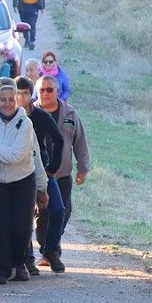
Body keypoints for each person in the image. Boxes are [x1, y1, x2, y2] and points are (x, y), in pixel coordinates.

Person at [0, 77, 48, 283]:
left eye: (11, 99)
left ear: (17, 100)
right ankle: (0, 269)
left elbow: (16, 156)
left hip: (22, 180)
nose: (7, 104)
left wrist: (43, 187)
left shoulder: (25, 124)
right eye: (3, 99)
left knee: (21, 226)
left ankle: (19, 262)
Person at [15, 76, 66, 273]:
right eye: (18, 93)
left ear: (31, 95)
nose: (21, 97)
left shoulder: (41, 116)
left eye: (25, 93)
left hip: (42, 170)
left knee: (57, 209)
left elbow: (58, 139)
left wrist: (52, 166)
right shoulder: (10, 117)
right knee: (24, 213)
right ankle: (26, 258)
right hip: (18, 171)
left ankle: (51, 250)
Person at [36, 75, 90, 235]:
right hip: (38, 174)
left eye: (49, 90)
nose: (45, 93)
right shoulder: (30, 114)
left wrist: (83, 168)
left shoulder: (70, 114)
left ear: (57, 91)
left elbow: (79, 141)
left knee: (63, 212)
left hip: (62, 174)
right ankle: (46, 247)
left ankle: (51, 245)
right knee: (43, 214)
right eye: (41, 90)